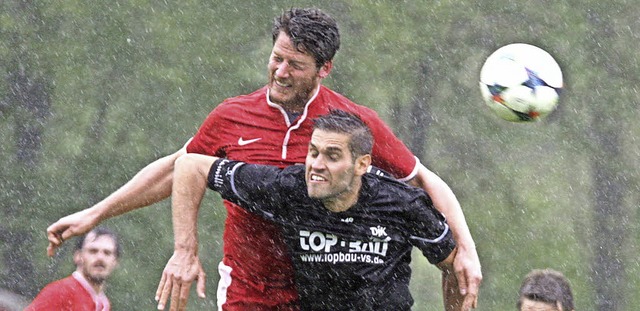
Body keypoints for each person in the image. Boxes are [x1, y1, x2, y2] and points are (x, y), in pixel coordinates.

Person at [46, 7, 481, 310]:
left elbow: (422, 180)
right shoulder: (234, 114)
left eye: (295, 65)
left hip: (320, 292)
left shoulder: (349, 125)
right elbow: (181, 167)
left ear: (323, 68)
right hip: (248, 288)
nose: (279, 71)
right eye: (276, 58)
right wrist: (98, 214)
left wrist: (466, 249)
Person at [157, 110, 477, 310]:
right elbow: (190, 167)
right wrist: (185, 251)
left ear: (362, 164)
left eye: (332, 156)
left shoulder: (403, 203)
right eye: (313, 152)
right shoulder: (290, 189)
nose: (316, 165)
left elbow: (453, 266)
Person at [27, 227, 120, 311]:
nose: (100, 257)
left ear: (115, 261)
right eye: (93, 251)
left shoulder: (104, 304)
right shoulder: (59, 292)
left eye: (107, 253)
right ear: (78, 256)